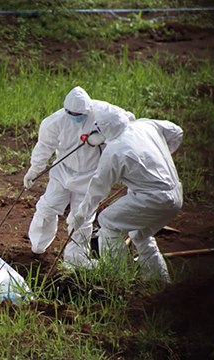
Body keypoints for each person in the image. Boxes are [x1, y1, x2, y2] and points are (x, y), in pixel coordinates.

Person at [23, 86, 136, 269]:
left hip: (90, 176)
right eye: (72, 114)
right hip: (62, 172)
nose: (77, 117)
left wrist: (103, 136)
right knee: (46, 208)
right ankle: (37, 249)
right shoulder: (55, 121)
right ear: (66, 110)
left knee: (81, 219)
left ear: (89, 108)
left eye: (80, 114)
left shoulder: (103, 111)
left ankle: (75, 259)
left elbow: (127, 121)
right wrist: (35, 169)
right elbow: (45, 145)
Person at [72, 112, 183, 283]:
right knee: (140, 234)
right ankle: (159, 280)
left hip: (153, 199)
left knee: (108, 221)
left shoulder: (114, 150)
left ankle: (117, 279)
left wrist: (81, 214)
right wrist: (156, 160)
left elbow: (97, 189)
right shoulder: (145, 125)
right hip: (175, 195)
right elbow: (177, 132)